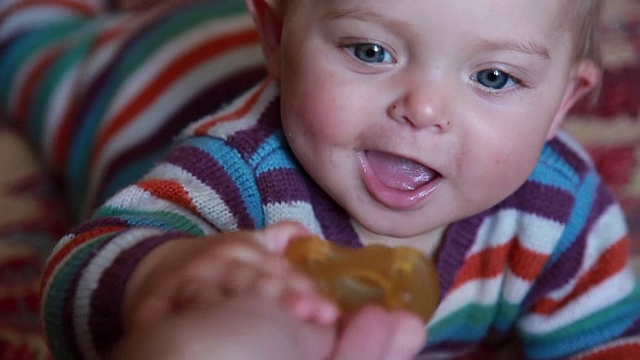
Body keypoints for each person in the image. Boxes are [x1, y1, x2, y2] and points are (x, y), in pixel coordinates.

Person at [2, 0, 639, 358]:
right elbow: (79, 272)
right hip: (141, 80)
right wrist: (165, 275)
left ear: (563, 102)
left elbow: (610, 344)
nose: (423, 109)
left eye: (494, 77)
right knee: (28, 46)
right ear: (276, 36)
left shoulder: (562, 211)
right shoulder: (238, 175)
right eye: (370, 51)